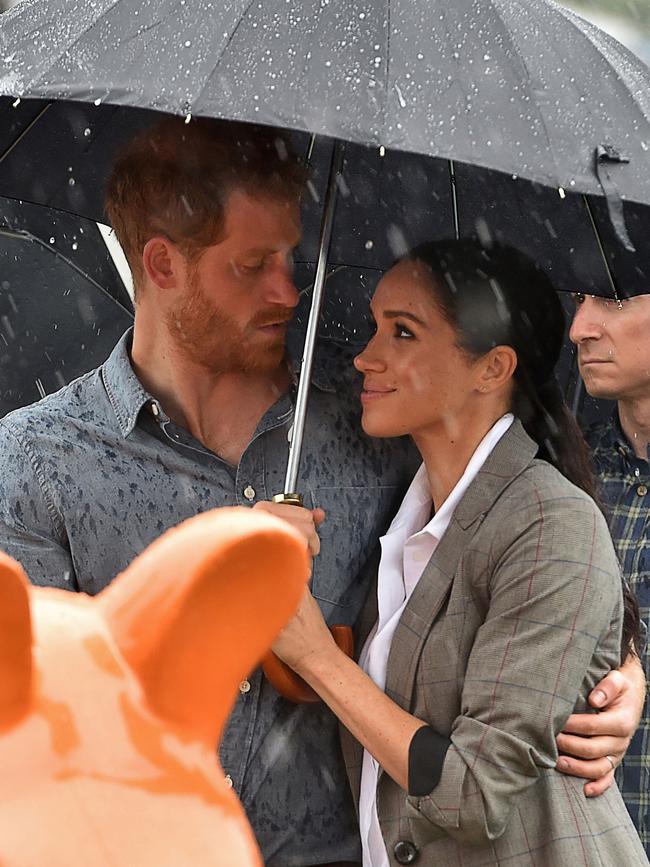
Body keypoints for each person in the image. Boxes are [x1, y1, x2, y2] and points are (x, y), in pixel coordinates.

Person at [0, 119, 641, 865]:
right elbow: (30, 715)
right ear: (163, 263)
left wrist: (619, 670)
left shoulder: (378, 417)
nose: (287, 288)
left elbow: (536, 556)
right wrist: (213, 586)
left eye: (290, 256)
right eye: (252, 265)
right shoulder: (35, 458)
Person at [270, 239, 648, 866]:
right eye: (374, 327)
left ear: (492, 368)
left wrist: (318, 660)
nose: (366, 357)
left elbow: (475, 793)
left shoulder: (549, 519)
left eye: (403, 333)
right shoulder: (400, 510)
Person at [570, 290, 650, 854]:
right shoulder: (565, 475)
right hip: (582, 840)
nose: (579, 327)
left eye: (615, 301)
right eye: (581, 299)